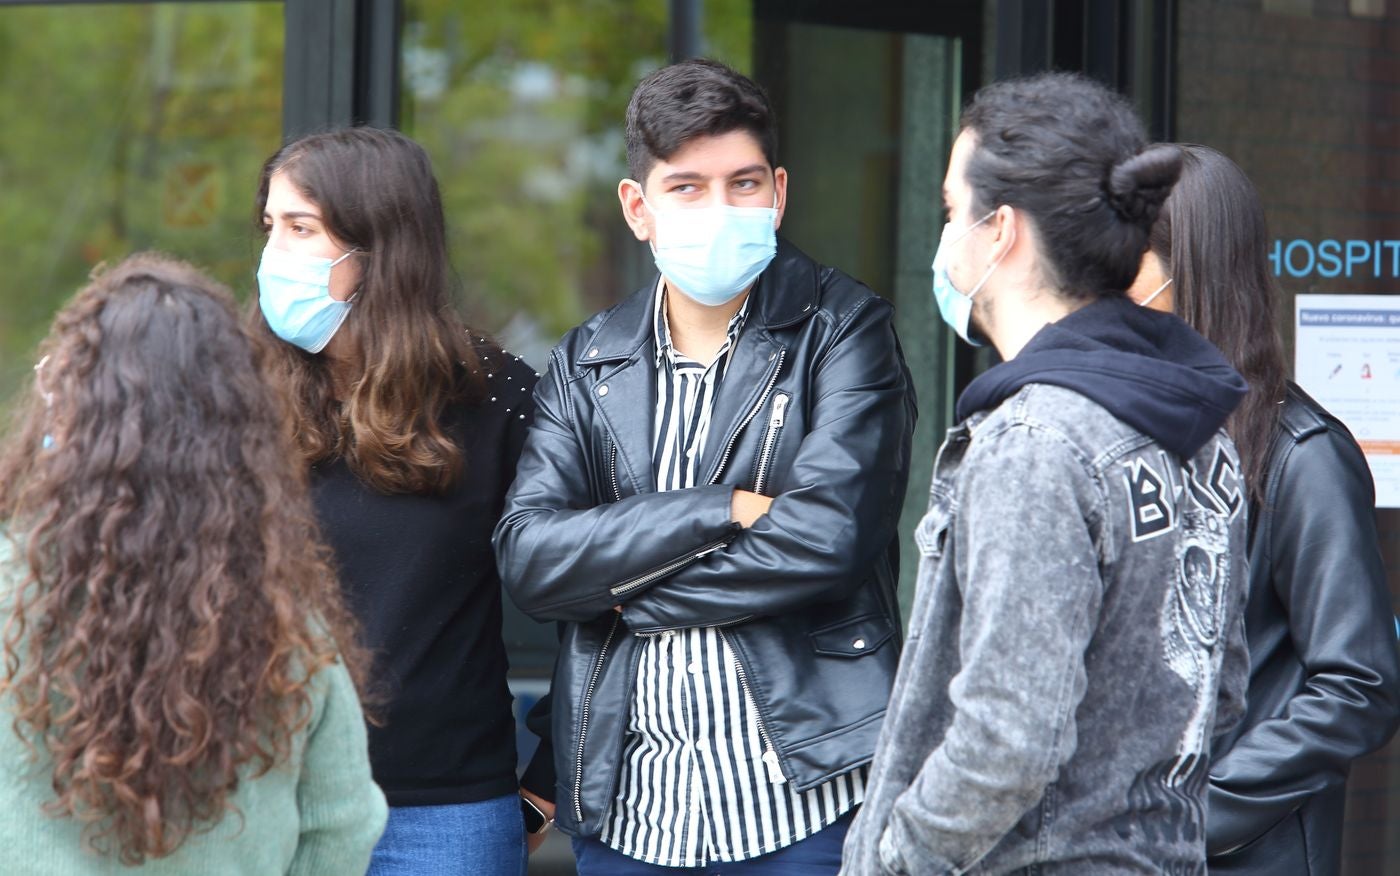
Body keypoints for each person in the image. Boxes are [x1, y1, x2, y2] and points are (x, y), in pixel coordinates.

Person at [494, 58, 916, 875]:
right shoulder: (587, 361)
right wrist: (719, 509)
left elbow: (828, 542)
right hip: (633, 814)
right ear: (638, 208)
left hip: (808, 803)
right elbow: (532, 561)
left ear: (779, 191)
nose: (720, 209)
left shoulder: (842, 330)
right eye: (686, 187)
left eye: (743, 184)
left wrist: (624, 595)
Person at [840, 72, 1252, 875]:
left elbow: (1007, 740)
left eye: (952, 212)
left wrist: (897, 860)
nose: (946, 235)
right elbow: (1217, 694)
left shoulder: (1033, 441)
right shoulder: (1199, 427)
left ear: (1002, 234)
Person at [0, 253, 385, 874]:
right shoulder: (288, 631)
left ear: (66, 411)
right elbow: (339, 829)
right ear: (242, 433)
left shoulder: (9, 589)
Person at [250, 127, 538, 875]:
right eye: (271, 227)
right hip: (262, 801)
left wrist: (547, 783)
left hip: (441, 814)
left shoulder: (495, 396)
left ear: (378, 248)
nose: (273, 254)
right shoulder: (236, 389)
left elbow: (597, 590)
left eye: (301, 228)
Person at [1126, 143, 1400, 875]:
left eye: (1126, 262)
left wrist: (1199, 812)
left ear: (1192, 270)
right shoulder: (1134, 434)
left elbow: (1358, 684)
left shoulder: (1303, 456)